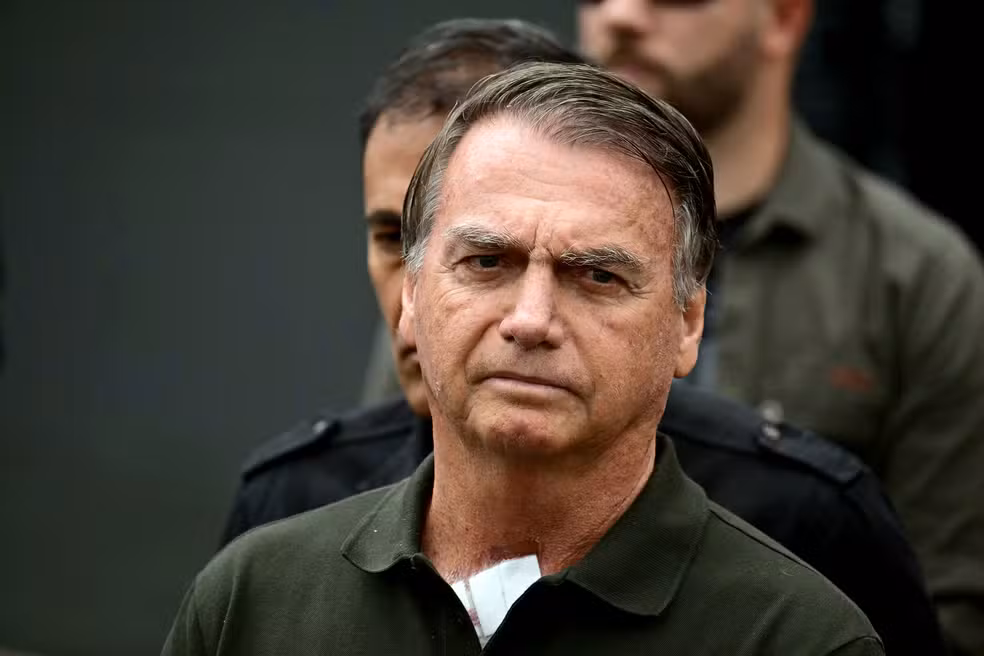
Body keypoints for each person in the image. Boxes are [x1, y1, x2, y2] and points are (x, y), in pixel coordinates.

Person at [221, 19, 943, 655]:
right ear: (414, 289)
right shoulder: (254, 594)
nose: (530, 319)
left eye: (597, 275)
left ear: (689, 320)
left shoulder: (802, 624)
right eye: (486, 261)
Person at [577, 1, 984, 653]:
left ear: (784, 19)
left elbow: (948, 615)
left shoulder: (916, 276)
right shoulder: (498, 251)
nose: (621, 13)